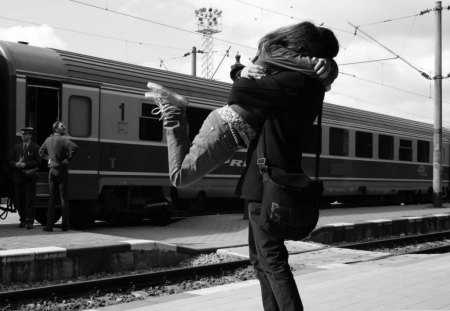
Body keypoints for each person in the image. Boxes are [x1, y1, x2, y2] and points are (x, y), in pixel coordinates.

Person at [149, 21, 339, 310]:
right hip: (267, 179)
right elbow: (252, 79)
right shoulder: (309, 85)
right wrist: (243, 71)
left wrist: (242, 74)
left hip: (267, 182)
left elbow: (240, 91)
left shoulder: (295, 82)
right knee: (262, 261)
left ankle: (174, 114)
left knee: (271, 260)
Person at [147, 25, 338, 189]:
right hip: (227, 128)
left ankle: (175, 113)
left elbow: (322, 78)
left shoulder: (277, 55)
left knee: (182, 176)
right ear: (306, 45)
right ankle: (173, 113)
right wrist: (329, 65)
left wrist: (330, 66)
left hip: (229, 130)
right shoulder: (276, 53)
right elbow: (319, 73)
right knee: (180, 178)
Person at [39, 121, 79, 232]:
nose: (64, 127)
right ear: (56, 129)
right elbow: (75, 147)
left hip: (52, 170)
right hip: (61, 170)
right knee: (63, 199)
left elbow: (41, 152)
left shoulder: (48, 140)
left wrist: (49, 159)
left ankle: (49, 226)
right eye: (62, 126)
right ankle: (65, 226)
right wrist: (67, 159)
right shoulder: (63, 140)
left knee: (52, 198)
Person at [9, 127, 40, 229]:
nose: (22, 136)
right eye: (22, 134)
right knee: (19, 200)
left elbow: (38, 162)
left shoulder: (35, 147)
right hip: (18, 178)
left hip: (29, 177)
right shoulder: (16, 147)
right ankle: (22, 219)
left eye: (25, 134)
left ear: (30, 135)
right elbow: (11, 161)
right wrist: (16, 164)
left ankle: (30, 221)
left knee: (29, 200)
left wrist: (25, 164)